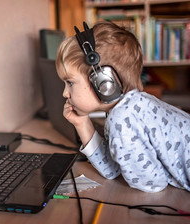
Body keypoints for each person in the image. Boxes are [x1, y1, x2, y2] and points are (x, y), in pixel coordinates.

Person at [56, 21, 190, 193]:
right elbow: (114, 170)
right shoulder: (130, 107)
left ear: (104, 82)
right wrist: (83, 124)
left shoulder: (123, 119)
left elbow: (153, 183)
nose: (65, 93)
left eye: (70, 82)